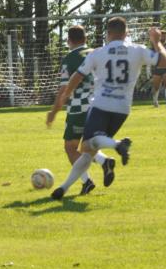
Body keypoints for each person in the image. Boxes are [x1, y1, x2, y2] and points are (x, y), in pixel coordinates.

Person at [46, 17, 166, 200]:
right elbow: (164, 63)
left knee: (88, 144)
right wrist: (157, 42)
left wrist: (65, 96)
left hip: (101, 104)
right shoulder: (138, 50)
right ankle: (63, 189)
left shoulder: (98, 53)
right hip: (123, 108)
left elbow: (77, 76)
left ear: (108, 34)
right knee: (89, 149)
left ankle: (117, 144)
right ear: (126, 32)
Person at [47, 26, 116, 196]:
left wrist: (54, 112)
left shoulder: (70, 59)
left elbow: (64, 89)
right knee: (87, 146)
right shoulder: (98, 53)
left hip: (79, 108)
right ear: (86, 38)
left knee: (70, 147)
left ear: (69, 41)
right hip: (101, 106)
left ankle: (88, 180)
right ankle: (102, 162)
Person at [151, 31, 166, 108]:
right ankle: (155, 101)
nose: (163, 37)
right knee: (156, 86)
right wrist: (148, 68)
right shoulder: (155, 45)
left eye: (165, 36)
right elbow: (151, 57)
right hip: (157, 68)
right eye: (162, 36)